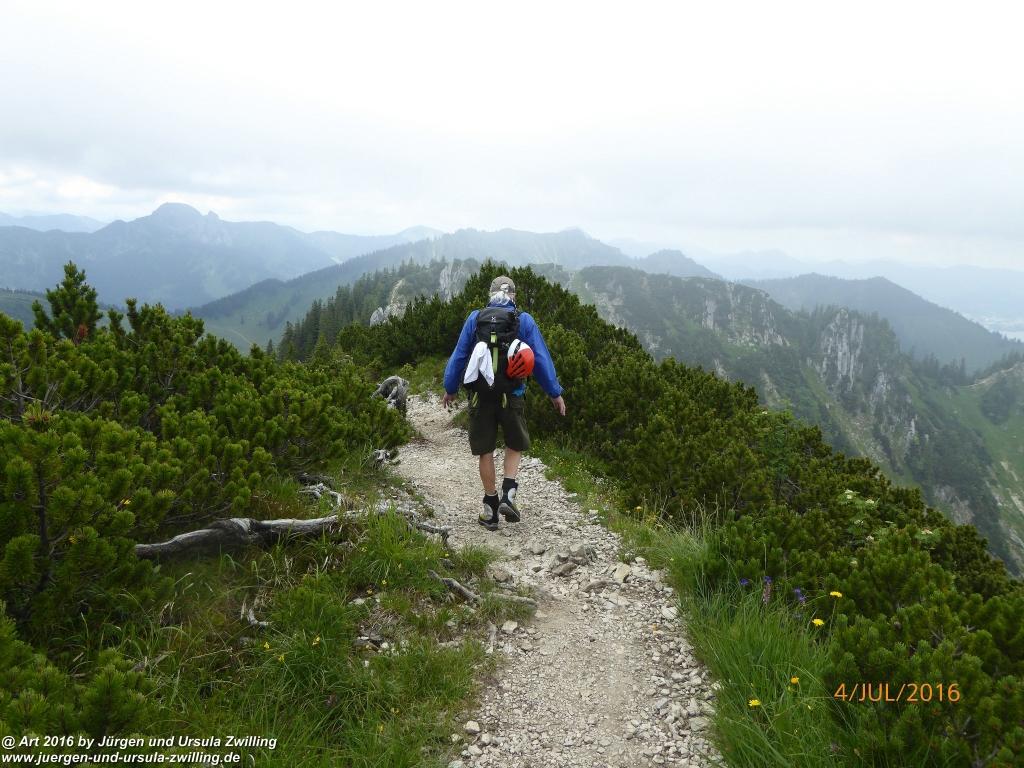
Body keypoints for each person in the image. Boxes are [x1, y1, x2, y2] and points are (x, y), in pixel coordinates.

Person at [441, 275, 566, 530]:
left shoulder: (475, 318)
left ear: (490, 295)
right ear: (514, 296)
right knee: (514, 442)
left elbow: (459, 354)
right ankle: (509, 491)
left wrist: (450, 388)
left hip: (480, 396)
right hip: (513, 395)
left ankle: (490, 509)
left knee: (485, 450)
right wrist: (554, 393)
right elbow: (540, 359)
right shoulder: (524, 321)